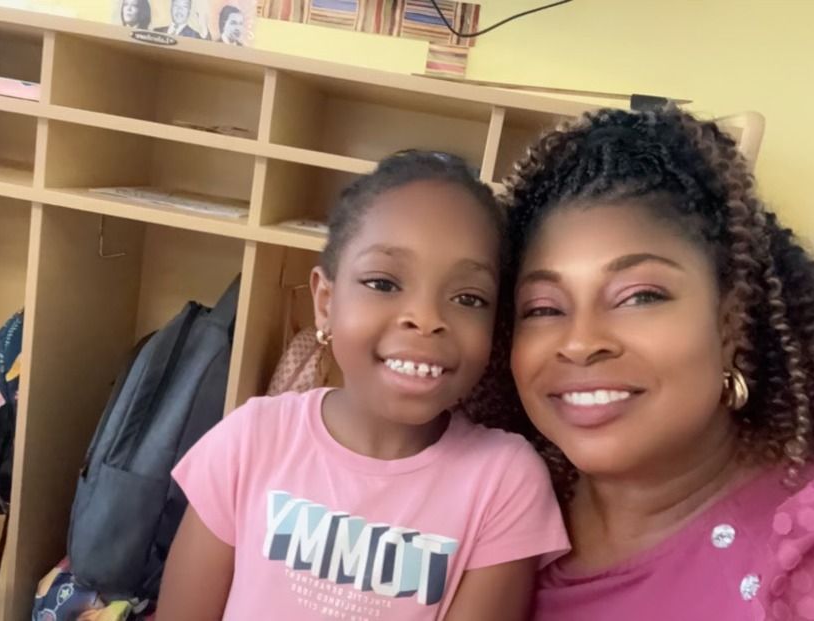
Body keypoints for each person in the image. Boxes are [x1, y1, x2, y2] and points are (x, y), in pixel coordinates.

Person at [482, 106, 814, 619]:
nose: (579, 343)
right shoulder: (490, 514)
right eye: (543, 308)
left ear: (731, 321)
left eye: (640, 296)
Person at [157, 151, 569, 620]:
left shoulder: (504, 481)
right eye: (384, 283)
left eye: (468, 297)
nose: (427, 319)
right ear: (326, 302)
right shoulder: (251, 439)